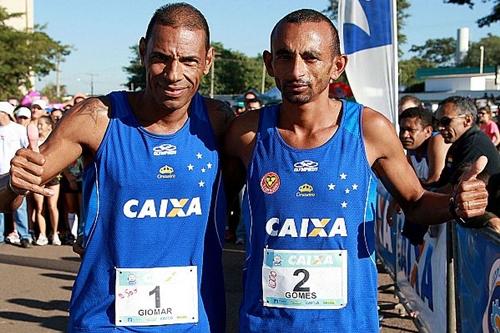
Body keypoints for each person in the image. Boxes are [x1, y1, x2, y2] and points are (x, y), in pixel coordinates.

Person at [224, 9, 488, 332]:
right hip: (265, 324)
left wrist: (453, 204)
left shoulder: (369, 129)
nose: (296, 70)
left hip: (347, 324)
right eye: (284, 56)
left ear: (338, 66)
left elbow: (416, 203)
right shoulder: (246, 134)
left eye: (311, 58)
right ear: (269, 63)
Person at [7, 3, 231, 332]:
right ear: (143, 51)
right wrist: (13, 184)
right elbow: (15, 191)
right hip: (106, 321)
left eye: (188, 61)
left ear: (208, 61)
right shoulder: (96, 119)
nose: (173, 74)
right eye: (161, 58)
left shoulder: (218, 121)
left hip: (195, 322)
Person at [435, 96, 500, 230]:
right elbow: (443, 184)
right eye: (437, 122)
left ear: (467, 120)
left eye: (445, 121)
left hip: (487, 227)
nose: (440, 127)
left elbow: (452, 190)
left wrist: (417, 198)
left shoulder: (474, 144)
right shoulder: (458, 144)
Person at [0, 101, 32, 248]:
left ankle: (24, 235)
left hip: (15, 173)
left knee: (19, 205)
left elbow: (27, 148)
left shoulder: (18, 129)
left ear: (5, 114)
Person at [399, 107, 449, 186]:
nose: (404, 135)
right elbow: (412, 181)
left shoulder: (438, 140)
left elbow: (436, 179)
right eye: (402, 129)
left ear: (428, 131)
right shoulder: (411, 145)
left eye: (411, 130)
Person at [32, 115, 61, 246]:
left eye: (41, 124)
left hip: (54, 177)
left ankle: (55, 234)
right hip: (38, 178)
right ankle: (42, 234)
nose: (39, 127)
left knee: (52, 206)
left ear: (49, 126)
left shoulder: (56, 140)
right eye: (38, 124)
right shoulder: (33, 141)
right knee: (39, 207)